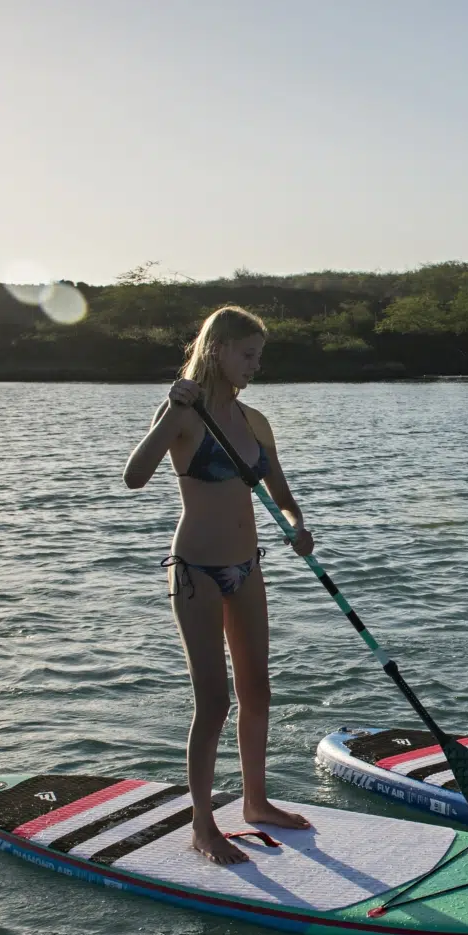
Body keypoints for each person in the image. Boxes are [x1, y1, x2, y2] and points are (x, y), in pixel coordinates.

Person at [123, 306, 315, 864]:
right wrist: (167, 415)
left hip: (247, 568)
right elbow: (134, 477)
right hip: (195, 572)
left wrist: (299, 525)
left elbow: (280, 490)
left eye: (259, 356)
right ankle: (203, 825)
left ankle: (255, 801)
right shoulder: (184, 414)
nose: (256, 366)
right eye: (248, 355)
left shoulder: (254, 421)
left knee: (258, 691)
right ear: (217, 351)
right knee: (214, 701)